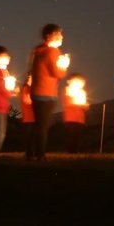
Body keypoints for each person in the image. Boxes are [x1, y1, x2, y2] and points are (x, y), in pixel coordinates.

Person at [28, 23, 69, 161]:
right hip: (47, 93)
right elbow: (57, 73)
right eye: (59, 34)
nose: (62, 37)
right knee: (43, 126)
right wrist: (64, 66)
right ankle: (40, 154)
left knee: (37, 124)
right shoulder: (53, 52)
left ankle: (30, 153)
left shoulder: (37, 50)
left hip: (36, 91)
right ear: (49, 36)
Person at [62, 73, 88, 153]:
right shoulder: (68, 90)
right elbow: (68, 103)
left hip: (79, 118)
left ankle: (75, 151)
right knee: (71, 136)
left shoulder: (82, 92)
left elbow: (83, 104)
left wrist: (84, 105)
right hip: (71, 118)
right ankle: (71, 151)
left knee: (77, 136)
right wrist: (80, 105)